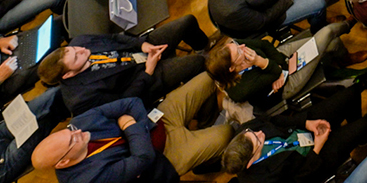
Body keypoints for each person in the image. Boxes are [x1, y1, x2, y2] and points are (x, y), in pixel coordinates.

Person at [30, 77, 230, 183]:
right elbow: (144, 158)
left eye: (69, 130)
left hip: (157, 120)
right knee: (226, 133)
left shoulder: (79, 124)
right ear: (63, 162)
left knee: (207, 79)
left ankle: (205, 123)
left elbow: (131, 103)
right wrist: (127, 125)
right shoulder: (88, 179)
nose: (77, 131)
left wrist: (136, 130)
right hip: (165, 156)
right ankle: (205, 156)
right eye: (72, 140)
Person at [37, 16, 210, 115]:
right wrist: (148, 71)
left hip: (138, 51)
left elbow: (115, 38)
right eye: (76, 57)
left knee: (187, 21)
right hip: (145, 80)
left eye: (73, 48)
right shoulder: (80, 99)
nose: (82, 49)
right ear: (67, 75)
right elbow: (125, 100)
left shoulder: (80, 41)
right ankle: (207, 114)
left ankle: (203, 47)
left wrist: (142, 45)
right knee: (197, 63)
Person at [219, 95, 367, 183]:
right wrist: (317, 148)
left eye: (252, 132)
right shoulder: (261, 180)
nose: (260, 133)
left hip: (299, 129)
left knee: (348, 96)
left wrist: (307, 123)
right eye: (258, 141)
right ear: (249, 163)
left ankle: (360, 133)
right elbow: (301, 179)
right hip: (313, 160)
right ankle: (364, 135)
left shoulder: (244, 132)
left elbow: (274, 121)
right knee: (364, 125)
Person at [206, 30, 362, 115]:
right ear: (232, 68)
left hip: (279, 61)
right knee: (327, 35)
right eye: (238, 52)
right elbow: (273, 73)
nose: (242, 47)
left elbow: (265, 44)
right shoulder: (240, 90)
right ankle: (348, 25)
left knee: (333, 42)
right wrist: (259, 62)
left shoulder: (239, 48)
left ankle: (343, 59)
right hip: (284, 87)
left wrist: (280, 66)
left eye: (236, 45)